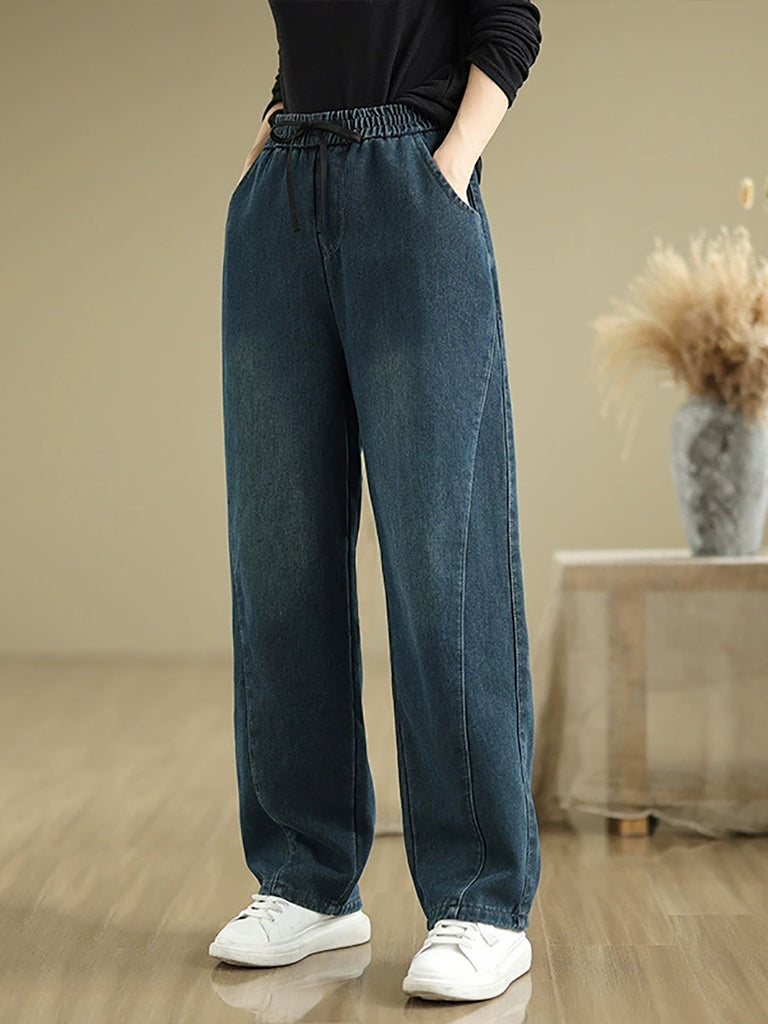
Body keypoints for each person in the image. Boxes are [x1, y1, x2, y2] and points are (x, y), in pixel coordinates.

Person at [208, 0, 543, 1004]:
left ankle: (482, 901)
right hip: (283, 195)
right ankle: (306, 877)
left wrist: (446, 169)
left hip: (411, 182)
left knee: (444, 562)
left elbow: (508, 23)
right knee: (280, 556)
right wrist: (268, 143)